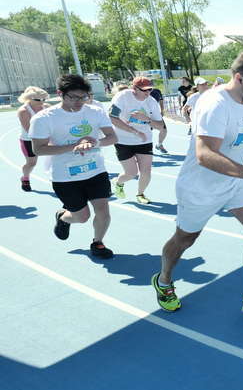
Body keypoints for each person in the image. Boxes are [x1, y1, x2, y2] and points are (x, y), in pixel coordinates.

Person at [152, 51, 243, 314]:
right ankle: (164, 280)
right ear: (239, 78)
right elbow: (205, 154)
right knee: (184, 240)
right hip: (200, 187)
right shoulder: (214, 103)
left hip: (236, 181)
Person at [29, 74, 118, 258]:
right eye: (73, 97)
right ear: (60, 93)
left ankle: (98, 243)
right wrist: (74, 146)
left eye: (83, 97)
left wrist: (95, 143)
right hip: (66, 176)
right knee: (82, 217)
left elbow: (112, 137)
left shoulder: (95, 111)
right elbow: (38, 149)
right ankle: (63, 218)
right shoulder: (44, 118)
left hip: (95, 170)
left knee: (103, 210)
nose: (79, 102)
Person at [109, 77, 164, 204]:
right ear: (134, 88)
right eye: (144, 90)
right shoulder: (122, 97)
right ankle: (118, 182)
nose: (148, 93)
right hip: (123, 140)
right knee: (131, 173)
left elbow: (160, 126)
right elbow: (112, 118)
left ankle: (140, 194)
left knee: (146, 171)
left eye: (150, 89)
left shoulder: (151, 102)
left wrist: (146, 119)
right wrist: (135, 131)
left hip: (144, 140)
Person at [17, 86, 49, 191]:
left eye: (44, 99)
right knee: (32, 163)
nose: (42, 102)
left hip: (47, 137)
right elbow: (29, 130)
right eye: (38, 99)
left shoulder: (47, 107)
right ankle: (25, 178)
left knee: (58, 157)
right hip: (29, 140)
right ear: (29, 98)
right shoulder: (23, 111)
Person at [148, 84, 169, 154]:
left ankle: (159, 144)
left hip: (155, 113)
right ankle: (147, 148)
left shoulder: (157, 91)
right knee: (147, 131)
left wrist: (162, 110)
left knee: (164, 130)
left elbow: (161, 101)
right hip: (145, 114)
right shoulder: (141, 91)